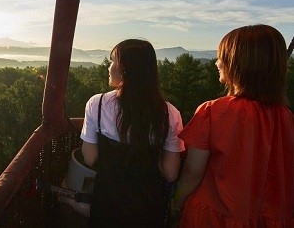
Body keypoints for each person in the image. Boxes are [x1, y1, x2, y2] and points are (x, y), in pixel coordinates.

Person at [171, 24, 294, 227]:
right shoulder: (286, 117)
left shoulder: (213, 111)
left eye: (222, 56)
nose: (218, 62)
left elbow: (193, 172)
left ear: (238, 63)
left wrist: (174, 205)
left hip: (216, 219)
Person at [80, 39, 185, 227]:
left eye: (113, 61)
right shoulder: (170, 114)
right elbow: (170, 173)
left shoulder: (97, 104)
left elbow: (89, 158)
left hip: (106, 207)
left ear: (126, 69)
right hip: (149, 209)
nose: (108, 66)